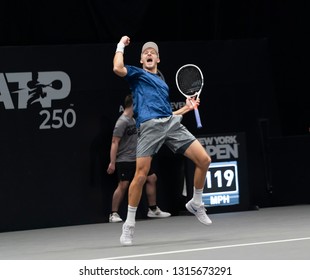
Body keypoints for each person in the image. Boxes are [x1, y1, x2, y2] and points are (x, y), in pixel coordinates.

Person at [113, 35, 212, 246]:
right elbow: (117, 68)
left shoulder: (161, 81)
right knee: (140, 175)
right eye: (145, 52)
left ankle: (196, 202)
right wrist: (121, 45)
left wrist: (187, 107)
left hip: (169, 124)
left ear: (158, 59)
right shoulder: (137, 74)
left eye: (153, 53)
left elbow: (169, 113)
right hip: (148, 127)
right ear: (141, 60)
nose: (149, 54)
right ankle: (129, 224)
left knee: (204, 160)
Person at [107, 94, 171, 223]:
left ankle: (153, 210)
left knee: (152, 178)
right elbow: (114, 142)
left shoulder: (135, 119)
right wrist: (112, 162)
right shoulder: (122, 121)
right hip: (124, 159)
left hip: (139, 158)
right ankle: (113, 214)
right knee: (123, 185)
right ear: (133, 104)